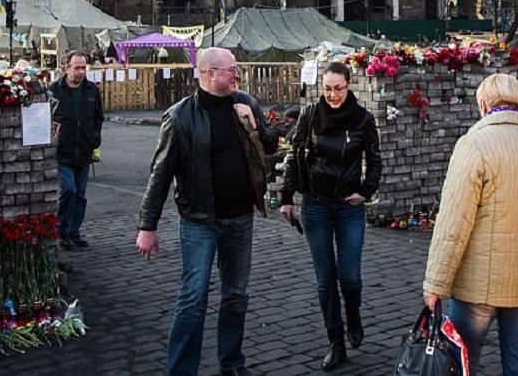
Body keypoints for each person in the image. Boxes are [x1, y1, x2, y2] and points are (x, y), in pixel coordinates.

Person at [135, 46, 278, 376]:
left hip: (240, 217)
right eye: (232, 70)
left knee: (236, 295)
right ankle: (182, 369)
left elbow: (271, 145)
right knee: (193, 296)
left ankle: (232, 362)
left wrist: (253, 124)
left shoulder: (244, 102)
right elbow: (161, 172)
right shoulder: (180, 115)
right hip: (199, 221)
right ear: (209, 74)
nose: (238, 75)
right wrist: (147, 225)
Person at [423, 73, 518, 376]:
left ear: (483, 104)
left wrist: (435, 283)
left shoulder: (474, 144)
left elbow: (453, 220)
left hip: (477, 284)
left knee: (460, 361)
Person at [280, 61, 382, 371]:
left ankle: (353, 312)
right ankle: (335, 342)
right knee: (326, 278)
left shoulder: (363, 120)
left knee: (350, 277)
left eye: (338, 88)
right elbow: (295, 154)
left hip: (349, 206)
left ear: (349, 85)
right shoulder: (311, 115)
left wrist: (365, 191)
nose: (333, 94)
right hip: (317, 205)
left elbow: (375, 161)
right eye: (327, 89)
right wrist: (287, 197)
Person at [51, 50, 104, 249]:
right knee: (68, 190)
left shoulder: (91, 91)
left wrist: (95, 137)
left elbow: (98, 117)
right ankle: (62, 230)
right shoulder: (56, 90)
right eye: (77, 68)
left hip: (84, 150)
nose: (81, 72)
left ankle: (74, 231)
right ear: (67, 68)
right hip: (63, 152)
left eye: (84, 67)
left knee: (80, 194)